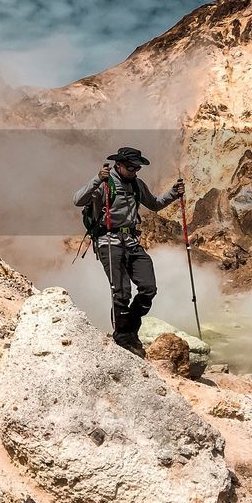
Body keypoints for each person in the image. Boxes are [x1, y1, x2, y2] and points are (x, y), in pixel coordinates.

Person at [74, 146, 185, 357]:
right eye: (131, 166)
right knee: (121, 291)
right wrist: (97, 179)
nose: (135, 170)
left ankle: (130, 330)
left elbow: (154, 204)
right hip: (109, 240)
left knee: (148, 287)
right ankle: (123, 337)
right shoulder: (105, 183)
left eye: (137, 167)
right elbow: (78, 199)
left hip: (131, 241)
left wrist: (173, 193)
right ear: (119, 164)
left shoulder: (135, 183)